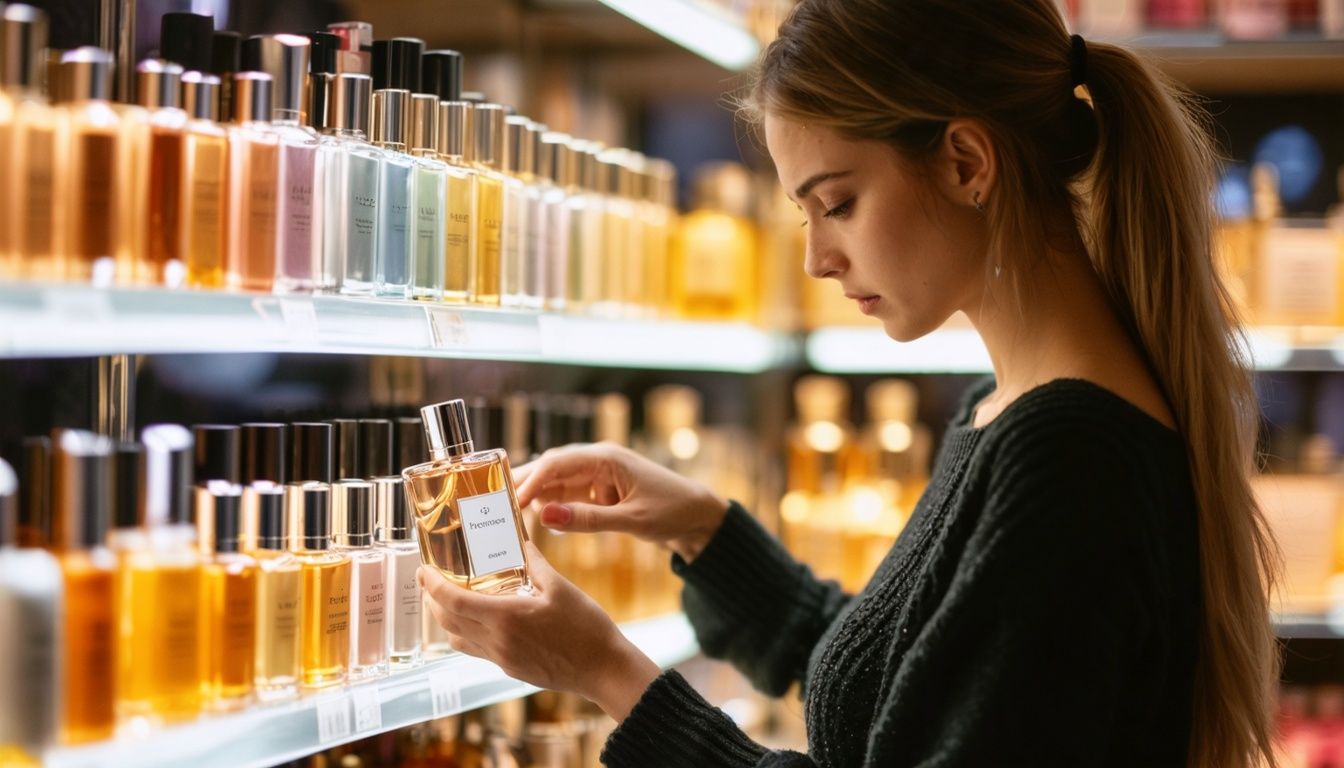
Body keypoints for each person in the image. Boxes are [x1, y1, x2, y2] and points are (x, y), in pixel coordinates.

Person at [417, 1, 1281, 765]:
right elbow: (908, 688)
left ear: (966, 163)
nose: (817, 259)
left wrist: (603, 669)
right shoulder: (1012, 410)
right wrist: (705, 533)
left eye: (836, 203)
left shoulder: (1067, 459)